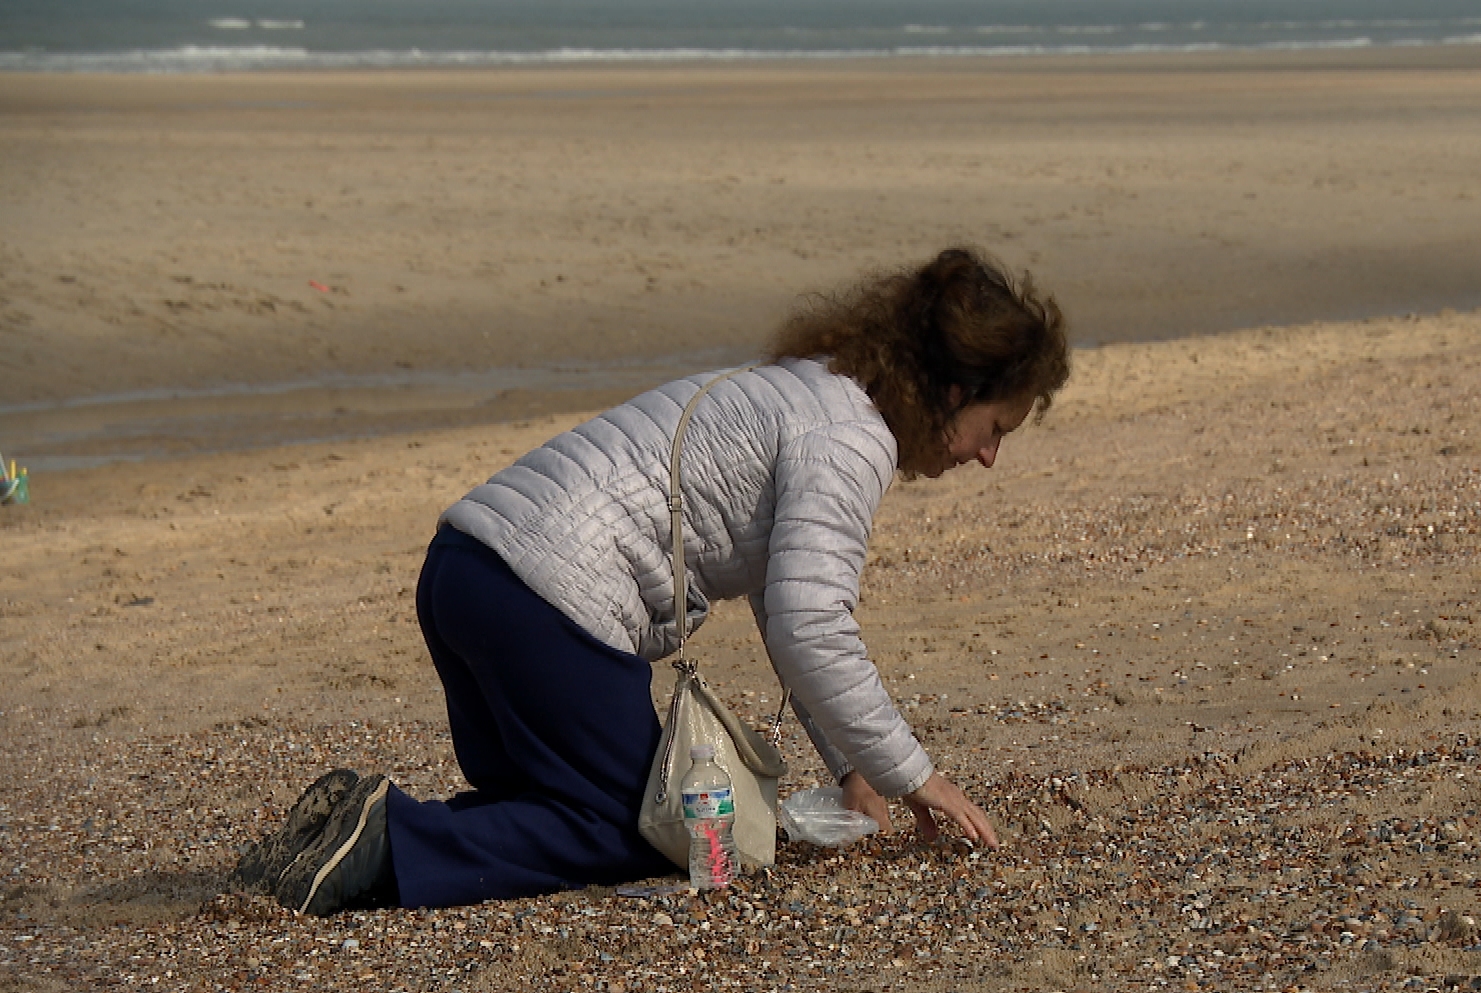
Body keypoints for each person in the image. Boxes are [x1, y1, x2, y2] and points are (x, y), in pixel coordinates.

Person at [234, 247, 1071, 915]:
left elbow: (789, 621)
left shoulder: (808, 389)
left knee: (546, 801)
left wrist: (853, 764)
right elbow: (817, 623)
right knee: (645, 829)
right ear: (955, 390)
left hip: (462, 571)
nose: (987, 456)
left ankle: (342, 840)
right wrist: (912, 774)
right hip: (546, 603)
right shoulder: (848, 440)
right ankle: (384, 842)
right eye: (993, 428)